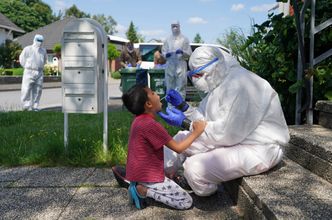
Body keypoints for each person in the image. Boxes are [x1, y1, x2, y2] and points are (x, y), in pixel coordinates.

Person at [159, 46, 290, 196]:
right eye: (193, 76)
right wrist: (184, 107)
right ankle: (159, 176)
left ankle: (209, 191)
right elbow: (204, 118)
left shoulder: (242, 86)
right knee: (180, 139)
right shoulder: (220, 82)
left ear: (216, 67)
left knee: (194, 168)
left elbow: (226, 134)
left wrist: (186, 123)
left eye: (199, 75)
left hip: (259, 148)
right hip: (234, 139)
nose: (196, 81)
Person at [121, 84, 206, 210]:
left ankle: (136, 182)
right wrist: (196, 132)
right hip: (149, 177)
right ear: (148, 104)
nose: (159, 95)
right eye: (154, 93)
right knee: (186, 202)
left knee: (168, 169)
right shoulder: (150, 125)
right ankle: (144, 190)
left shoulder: (139, 120)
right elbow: (178, 148)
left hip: (140, 172)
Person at [162, 21, 192, 100]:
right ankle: (171, 107)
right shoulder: (167, 39)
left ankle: (180, 107)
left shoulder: (184, 39)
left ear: (179, 26)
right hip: (170, 65)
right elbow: (163, 51)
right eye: (173, 26)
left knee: (181, 86)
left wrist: (182, 52)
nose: (175, 28)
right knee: (169, 86)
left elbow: (189, 53)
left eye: (176, 26)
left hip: (180, 64)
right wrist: (166, 55)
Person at [19, 34, 47, 111]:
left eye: (41, 41)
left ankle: (35, 106)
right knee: (26, 89)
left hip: (39, 72)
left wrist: (39, 67)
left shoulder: (43, 51)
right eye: (38, 40)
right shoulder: (27, 49)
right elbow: (22, 59)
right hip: (29, 71)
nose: (40, 42)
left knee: (38, 90)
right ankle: (26, 106)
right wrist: (28, 67)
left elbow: (44, 61)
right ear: (34, 40)